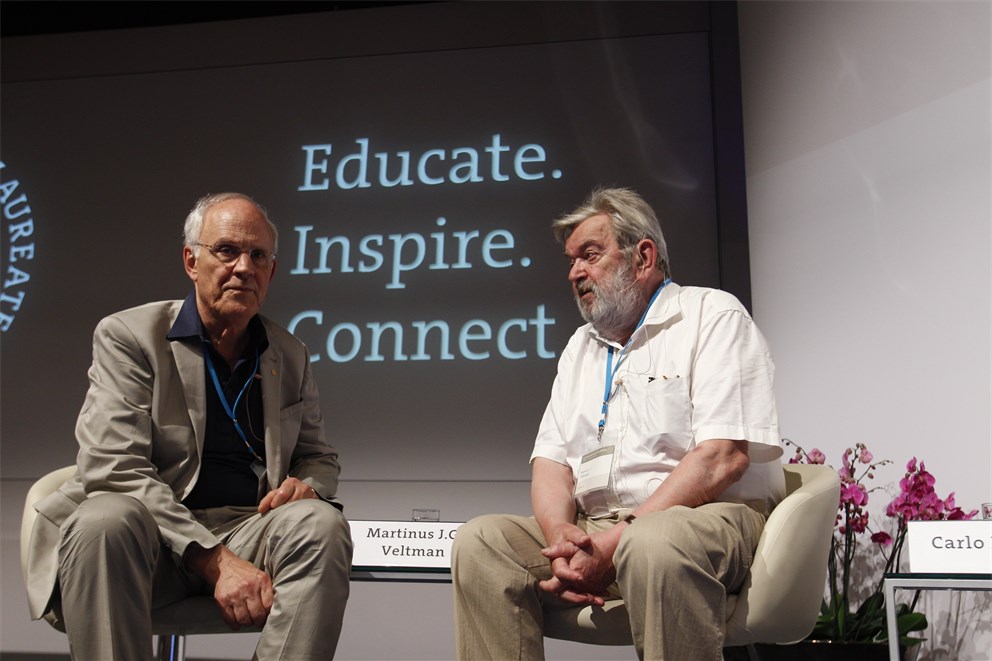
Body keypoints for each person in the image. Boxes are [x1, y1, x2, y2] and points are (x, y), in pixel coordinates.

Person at [452, 187, 784, 660]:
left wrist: (620, 538)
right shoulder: (580, 347)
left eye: (590, 255)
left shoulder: (712, 315)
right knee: (481, 542)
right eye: (570, 262)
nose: (575, 273)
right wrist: (560, 537)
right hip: (598, 525)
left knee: (653, 541)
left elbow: (721, 458)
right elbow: (551, 463)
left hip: (702, 518)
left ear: (643, 257)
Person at [23, 192, 353, 660]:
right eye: (227, 250)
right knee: (105, 518)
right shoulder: (129, 336)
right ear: (191, 261)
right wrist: (214, 561)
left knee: (321, 525)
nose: (244, 267)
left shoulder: (290, 353)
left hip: (246, 530)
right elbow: (114, 466)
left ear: (272, 272)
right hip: (148, 541)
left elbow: (318, 456)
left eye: (258, 256)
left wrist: (308, 487)